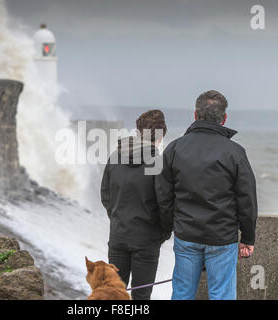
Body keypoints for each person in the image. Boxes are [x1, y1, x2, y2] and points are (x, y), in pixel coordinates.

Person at [155, 90, 258, 300]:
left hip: (186, 234)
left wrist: (171, 225)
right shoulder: (234, 152)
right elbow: (246, 199)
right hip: (222, 237)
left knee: (182, 293)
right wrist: (247, 237)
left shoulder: (175, 148)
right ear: (224, 118)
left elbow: (163, 195)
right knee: (221, 295)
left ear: (195, 115)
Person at [101, 109, 170, 300]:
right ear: (162, 134)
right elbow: (165, 203)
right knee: (141, 296)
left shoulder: (115, 157)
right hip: (146, 240)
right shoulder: (159, 162)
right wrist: (162, 233)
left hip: (118, 235)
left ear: (138, 132)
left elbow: (106, 195)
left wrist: (117, 218)